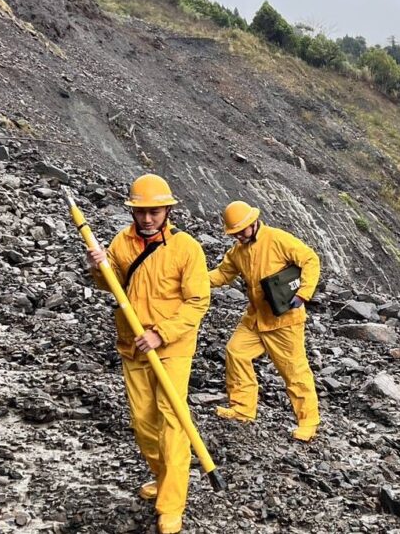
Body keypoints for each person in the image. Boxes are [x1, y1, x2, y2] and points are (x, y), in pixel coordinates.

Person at [86, 174, 209, 534]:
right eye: (141, 212)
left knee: (173, 421)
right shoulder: (121, 243)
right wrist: (98, 267)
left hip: (172, 347)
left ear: (167, 210)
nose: (147, 218)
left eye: (154, 211)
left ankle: (172, 503)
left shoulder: (187, 248)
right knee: (143, 423)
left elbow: (198, 301)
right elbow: (112, 284)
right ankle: (163, 475)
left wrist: (162, 333)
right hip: (132, 344)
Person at [209, 200, 321, 441]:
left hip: (284, 321)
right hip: (256, 318)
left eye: (240, 230)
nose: (238, 236)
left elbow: (310, 259)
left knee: (294, 371)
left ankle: (308, 422)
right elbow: (222, 274)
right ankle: (242, 409)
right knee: (236, 352)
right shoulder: (237, 252)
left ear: (253, 223)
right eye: (234, 233)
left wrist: (303, 293)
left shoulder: (277, 239)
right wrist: (194, 279)